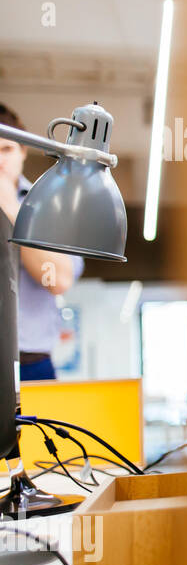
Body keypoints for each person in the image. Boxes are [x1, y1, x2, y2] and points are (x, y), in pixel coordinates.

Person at [0, 104, 83, 381]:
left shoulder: (48, 205)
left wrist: (12, 210)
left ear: (23, 151)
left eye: (6, 150)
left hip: (31, 363)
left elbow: (58, 280)